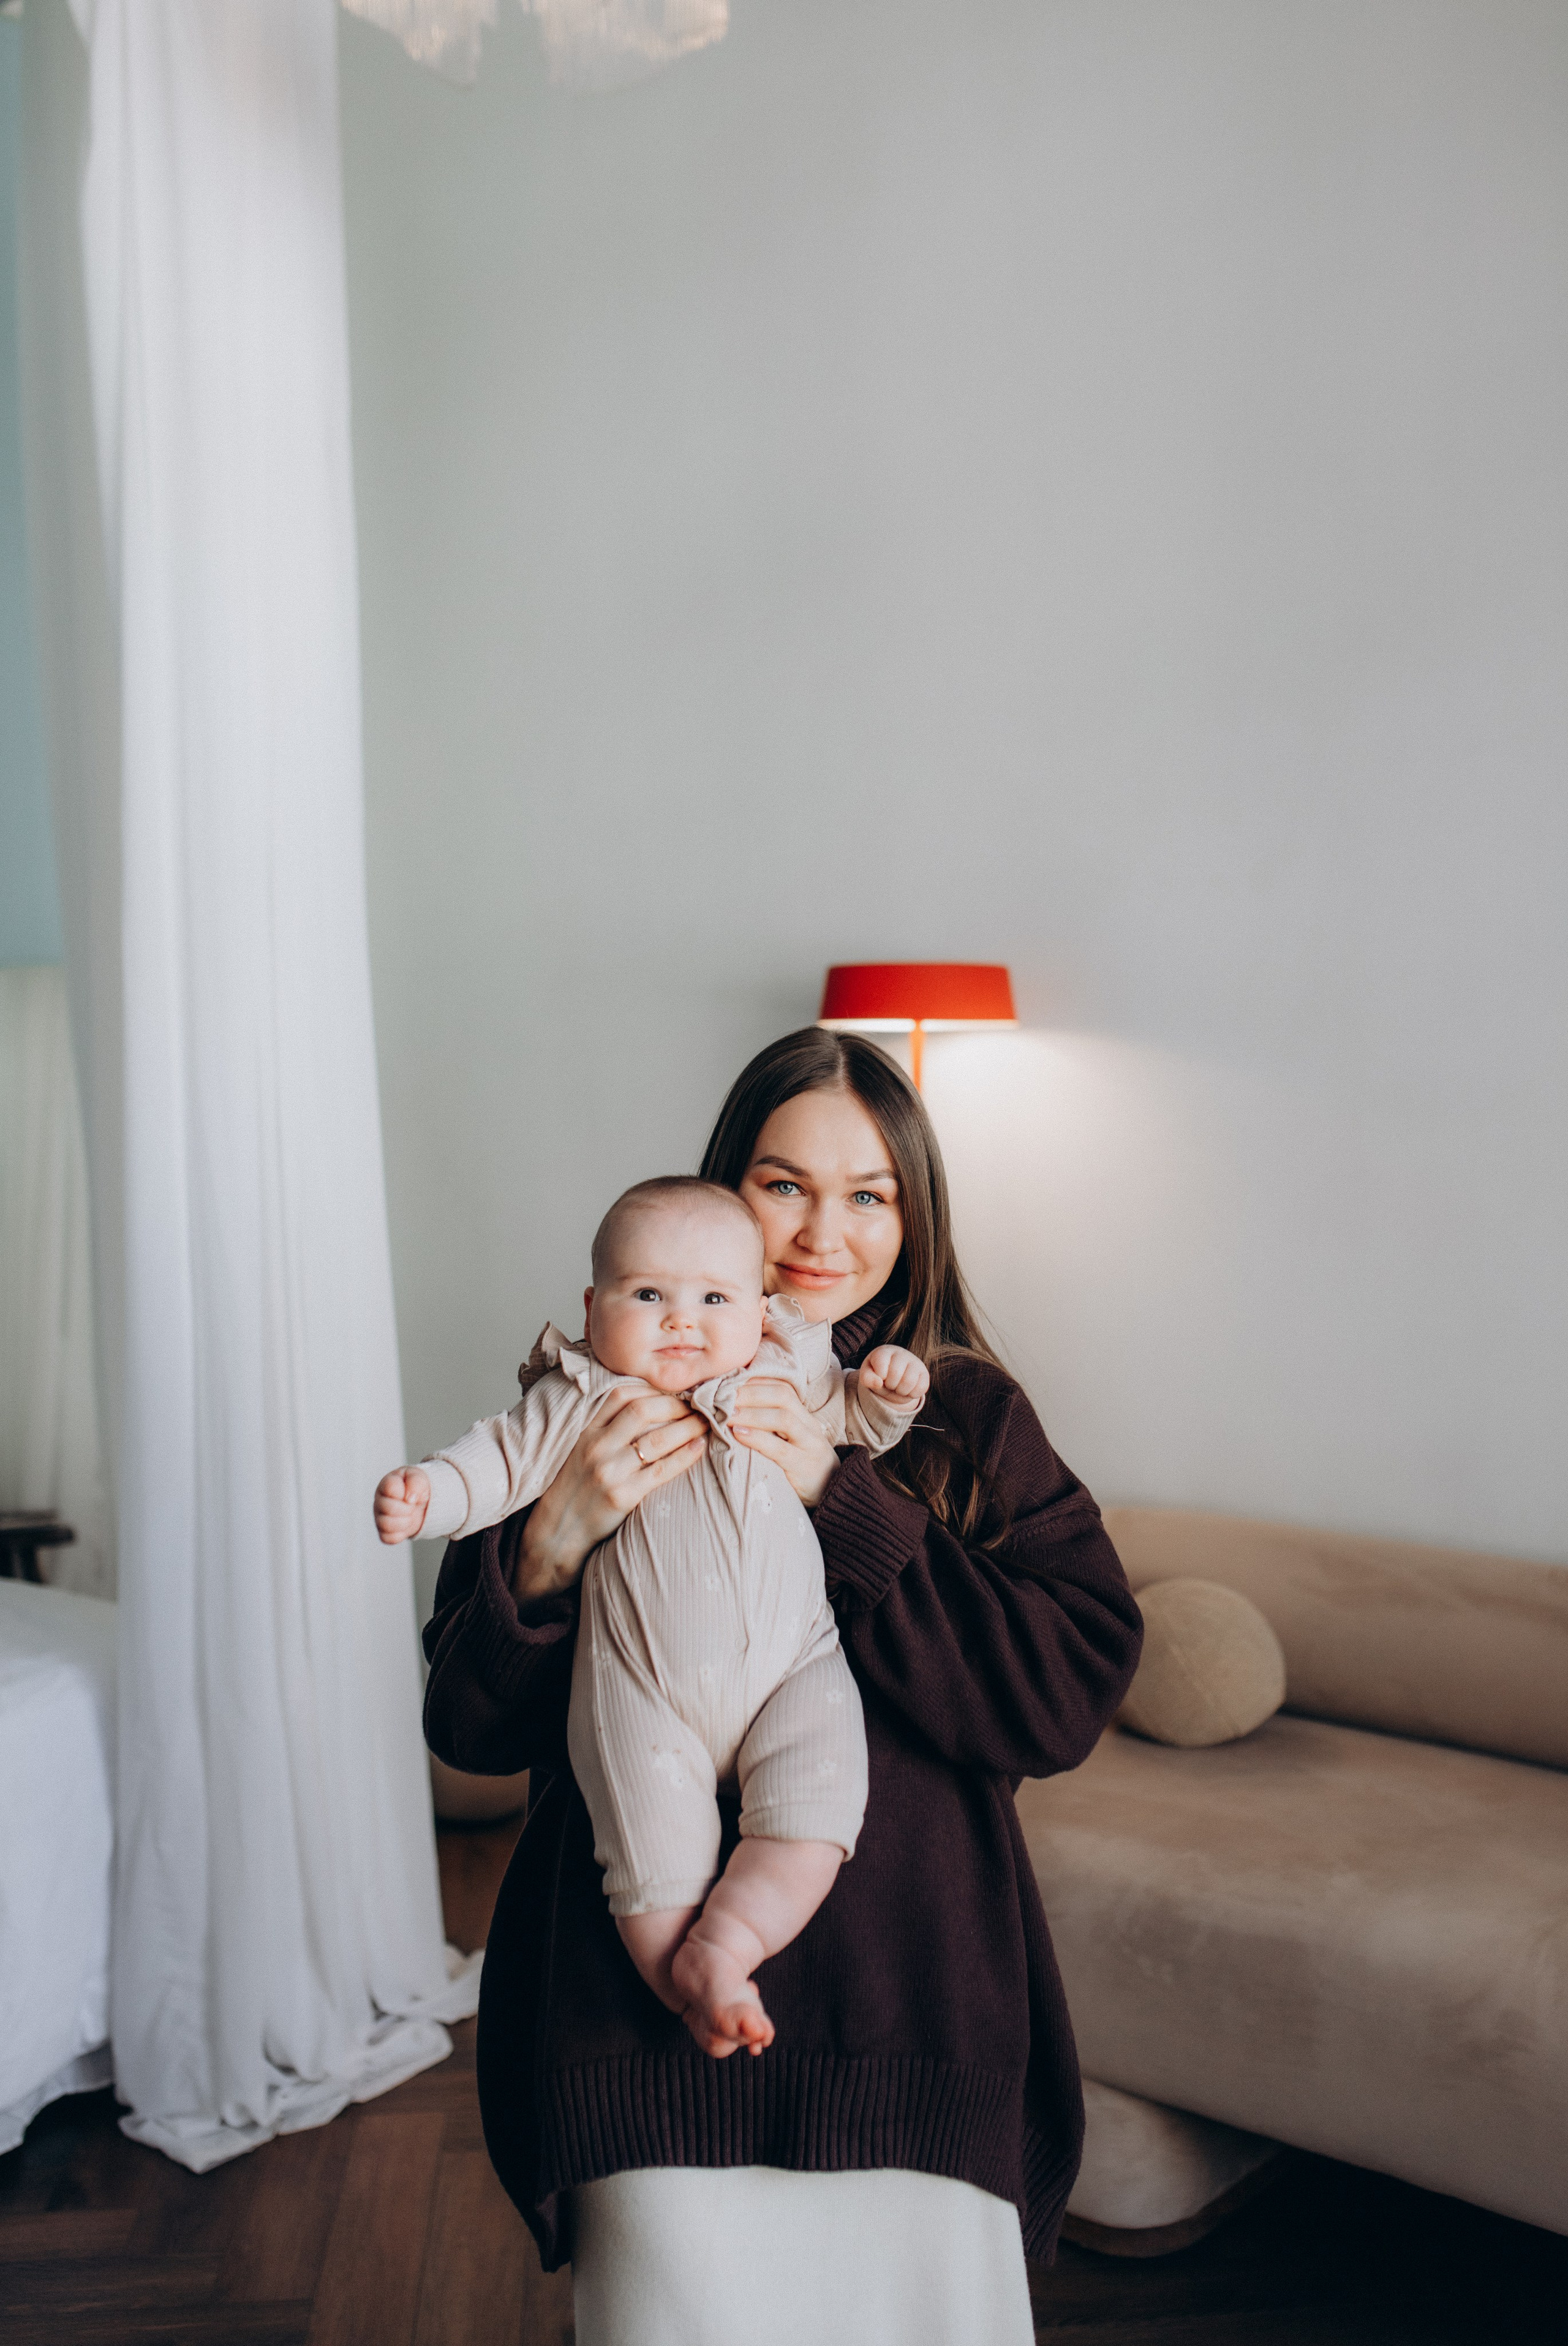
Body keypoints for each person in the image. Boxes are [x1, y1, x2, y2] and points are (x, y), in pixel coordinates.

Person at [421, 1028, 1143, 2346]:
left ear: (913, 1216)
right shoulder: (591, 1393)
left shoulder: (958, 1413)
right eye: (781, 1183)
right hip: (641, 2038)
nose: (824, 1231)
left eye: (868, 1193)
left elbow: (1062, 1690)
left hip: (910, 2017)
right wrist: (546, 1548)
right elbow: (468, 1727)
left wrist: (838, 1494)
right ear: (718, 1191)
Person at [375, 1174, 927, 2053]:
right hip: (641, 1687)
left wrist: (887, 1395)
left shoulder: (783, 1369)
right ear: (593, 1309)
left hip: (795, 1669)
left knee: (820, 1804)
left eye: (714, 1297)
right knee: (647, 1849)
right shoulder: (583, 1396)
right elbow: (498, 1463)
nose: (683, 1320)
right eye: (648, 1295)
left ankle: (731, 1942)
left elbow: (854, 1414)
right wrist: (431, 1491)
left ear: (760, 1307)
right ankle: (681, 1974)